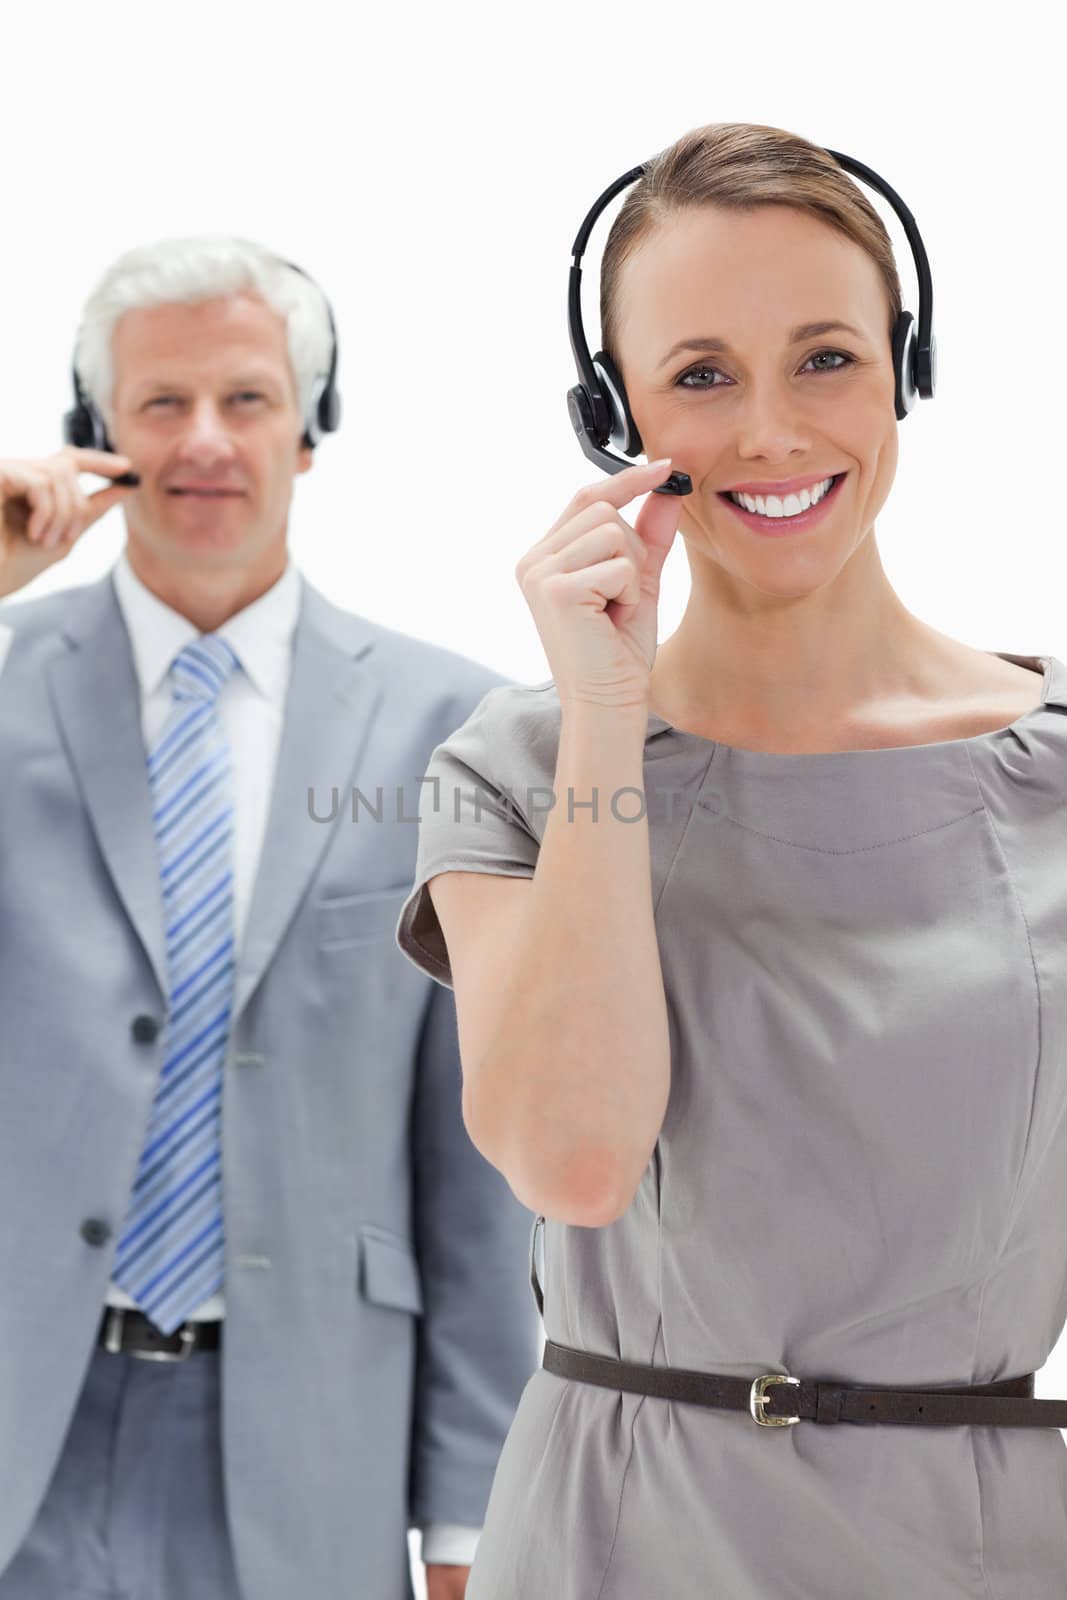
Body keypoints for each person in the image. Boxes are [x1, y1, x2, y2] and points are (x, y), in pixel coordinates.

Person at [394, 121, 1067, 1597]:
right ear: (614, 414)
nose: (770, 429)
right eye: (702, 376)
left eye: (826, 357)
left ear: (907, 364)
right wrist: (605, 718)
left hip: (983, 1544)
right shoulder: (514, 766)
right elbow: (572, 1155)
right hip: (616, 1533)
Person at [0, 236, 538, 1600]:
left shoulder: (449, 726)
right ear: (95, 437)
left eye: (245, 399)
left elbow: (473, 1173)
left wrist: (472, 1514)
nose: (203, 442)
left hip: (310, 1448)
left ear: (310, 431)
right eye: (159, 404)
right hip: (22, 1423)